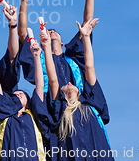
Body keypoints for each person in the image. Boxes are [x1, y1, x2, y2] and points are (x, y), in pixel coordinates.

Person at [42, 18, 113, 161]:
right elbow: (53, 78)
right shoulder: (59, 108)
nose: (68, 82)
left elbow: (89, 66)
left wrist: (86, 37)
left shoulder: (90, 101)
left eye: (71, 83)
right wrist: (46, 48)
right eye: (66, 85)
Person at [18, 0, 99, 89]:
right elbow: (23, 33)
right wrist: (24, 0)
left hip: (78, 103)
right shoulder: (38, 58)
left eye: (54, 31)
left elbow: (87, 23)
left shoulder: (73, 58)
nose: (51, 32)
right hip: (53, 105)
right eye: (48, 32)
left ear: (62, 43)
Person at [0, 39, 46, 161]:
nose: (18, 94)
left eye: (21, 94)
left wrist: (36, 57)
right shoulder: (3, 112)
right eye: (15, 94)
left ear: (28, 103)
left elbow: (40, 84)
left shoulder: (33, 116)